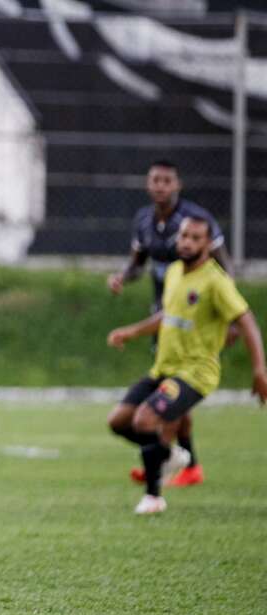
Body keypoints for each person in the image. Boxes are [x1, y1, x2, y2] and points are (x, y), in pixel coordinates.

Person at [106, 217, 266, 514]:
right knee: (118, 421)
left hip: (196, 373)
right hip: (164, 368)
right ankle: (170, 455)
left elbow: (247, 322)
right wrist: (132, 331)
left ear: (207, 244)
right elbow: (168, 314)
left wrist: (259, 370)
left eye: (195, 237)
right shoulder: (175, 271)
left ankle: (154, 496)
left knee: (145, 420)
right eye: (183, 236)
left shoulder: (216, 281)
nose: (187, 242)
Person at [106, 159, 234, 487]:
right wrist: (123, 276)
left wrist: (227, 316)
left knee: (174, 391)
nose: (160, 186)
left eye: (167, 180)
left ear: (177, 185)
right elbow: (138, 264)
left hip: (195, 318)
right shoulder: (144, 221)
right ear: (148, 185)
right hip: (165, 316)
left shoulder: (194, 221)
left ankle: (174, 459)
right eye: (155, 180)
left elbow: (224, 268)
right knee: (171, 391)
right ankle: (175, 457)